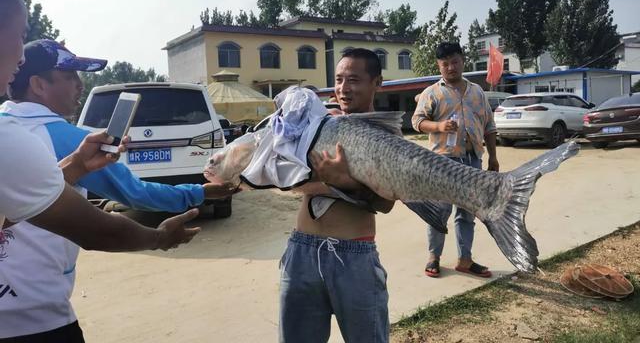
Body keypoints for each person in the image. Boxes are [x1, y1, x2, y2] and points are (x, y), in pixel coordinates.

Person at [0, 39, 238, 340]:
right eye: (70, 76)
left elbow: (23, 201)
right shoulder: (62, 135)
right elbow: (128, 201)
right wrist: (198, 196)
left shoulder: (7, 128)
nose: (79, 84)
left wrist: (76, 166)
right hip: (33, 313)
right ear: (38, 84)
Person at [279, 48, 395, 343]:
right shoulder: (319, 124)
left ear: (377, 83)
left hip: (354, 256)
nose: (343, 89)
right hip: (301, 251)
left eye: (354, 80)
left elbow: (386, 203)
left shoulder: (388, 136)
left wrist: (345, 182)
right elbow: (289, 177)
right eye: (339, 79)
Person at [411, 41, 499, 278]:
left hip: (472, 161)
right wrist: (438, 126)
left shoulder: (477, 91)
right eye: (445, 63)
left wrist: (493, 157)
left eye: (455, 62)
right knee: (439, 212)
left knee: (467, 212)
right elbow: (417, 121)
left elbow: (489, 125)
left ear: (463, 61)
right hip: (442, 162)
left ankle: (465, 259)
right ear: (439, 66)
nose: (451, 67)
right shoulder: (432, 93)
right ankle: (434, 257)